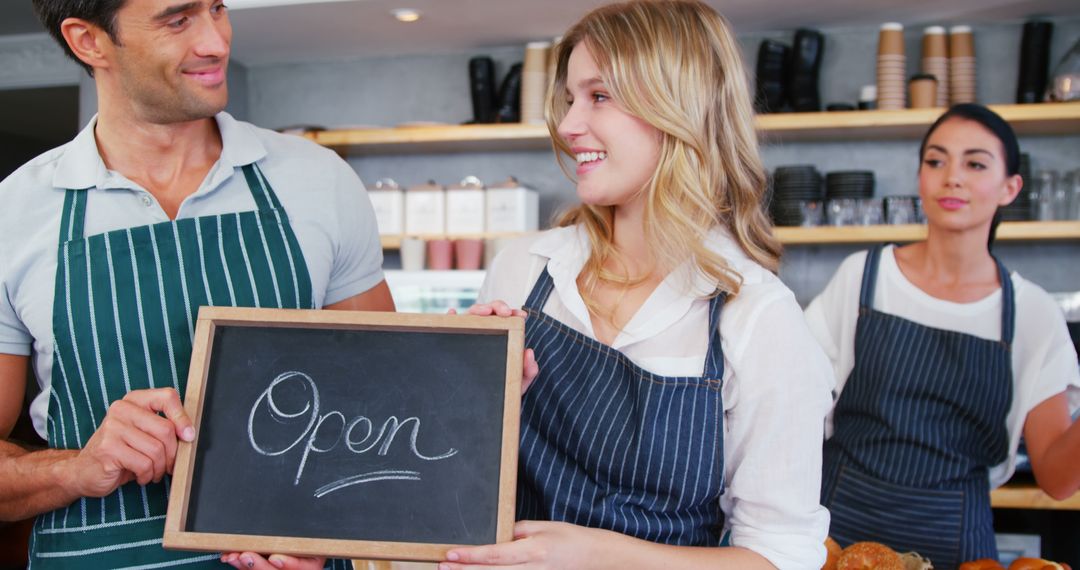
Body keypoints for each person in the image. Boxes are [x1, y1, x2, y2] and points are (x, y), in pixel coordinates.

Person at [0, 1, 394, 568]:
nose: (216, 41)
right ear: (89, 41)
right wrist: (75, 469)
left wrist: (331, 528)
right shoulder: (16, 212)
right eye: (178, 20)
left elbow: (388, 412)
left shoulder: (317, 179)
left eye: (216, 8)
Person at [446, 2, 833, 568]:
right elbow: (461, 482)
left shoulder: (755, 316)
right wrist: (467, 399)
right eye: (571, 98)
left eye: (599, 96)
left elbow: (778, 556)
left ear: (682, 107)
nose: (569, 124)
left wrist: (600, 554)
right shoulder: (524, 270)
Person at [805, 103, 1080, 569]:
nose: (952, 177)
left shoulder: (1031, 312)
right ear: (920, 178)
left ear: (1011, 187)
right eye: (936, 161)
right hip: (837, 538)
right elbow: (795, 410)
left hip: (957, 547)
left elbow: (1056, 478)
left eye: (975, 163)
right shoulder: (864, 278)